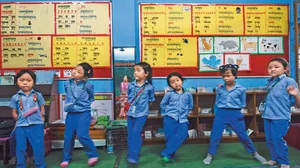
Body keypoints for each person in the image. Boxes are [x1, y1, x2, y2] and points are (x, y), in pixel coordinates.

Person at [203, 64, 267, 165]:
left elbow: (243, 102)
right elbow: (217, 101)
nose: (225, 78)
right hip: (221, 113)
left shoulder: (241, 89)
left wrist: (237, 111)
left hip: (235, 113)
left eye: (228, 75)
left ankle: (255, 154)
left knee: (243, 135)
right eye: (223, 76)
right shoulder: (219, 89)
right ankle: (210, 155)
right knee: (215, 135)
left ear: (235, 75)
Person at [261, 58, 300, 168]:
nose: (272, 69)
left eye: (276, 67)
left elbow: (298, 104)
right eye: (270, 67)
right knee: (269, 139)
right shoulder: (270, 82)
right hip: (267, 115)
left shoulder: (289, 81)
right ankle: (274, 159)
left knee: (278, 139)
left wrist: (296, 94)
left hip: (280, 116)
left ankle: (284, 162)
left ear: (285, 69)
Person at [60, 62, 98, 167]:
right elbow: (68, 95)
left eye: (78, 71)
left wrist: (83, 105)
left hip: (83, 113)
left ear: (85, 75)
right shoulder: (67, 83)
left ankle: (93, 155)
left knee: (82, 135)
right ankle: (66, 158)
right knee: (68, 136)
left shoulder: (88, 85)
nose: (74, 72)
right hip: (71, 114)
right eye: (75, 69)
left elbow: (91, 97)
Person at [9, 70, 46, 168]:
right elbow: (14, 112)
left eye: (28, 80)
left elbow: (42, 110)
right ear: (17, 81)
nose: (25, 82)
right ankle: (20, 165)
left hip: (36, 125)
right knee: (20, 147)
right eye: (22, 80)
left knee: (38, 147)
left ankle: (40, 165)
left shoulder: (38, 95)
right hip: (21, 126)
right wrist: (19, 119)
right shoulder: (15, 97)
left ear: (33, 81)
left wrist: (41, 123)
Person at [160, 72, 193, 162]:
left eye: (177, 80)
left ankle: (166, 153)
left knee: (183, 134)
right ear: (170, 85)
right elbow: (162, 104)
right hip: (169, 118)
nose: (176, 83)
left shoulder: (188, 94)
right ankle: (170, 157)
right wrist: (168, 112)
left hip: (182, 119)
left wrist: (185, 113)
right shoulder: (169, 94)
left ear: (181, 80)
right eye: (172, 82)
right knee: (169, 138)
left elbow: (190, 105)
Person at [126, 62, 155, 164]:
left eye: (138, 70)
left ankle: (134, 155)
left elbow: (151, 100)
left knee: (135, 133)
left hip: (142, 114)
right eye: (134, 71)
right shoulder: (130, 85)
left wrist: (145, 110)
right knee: (130, 134)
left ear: (146, 73)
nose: (135, 73)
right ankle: (131, 152)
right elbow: (129, 98)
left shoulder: (149, 87)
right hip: (130, 113)